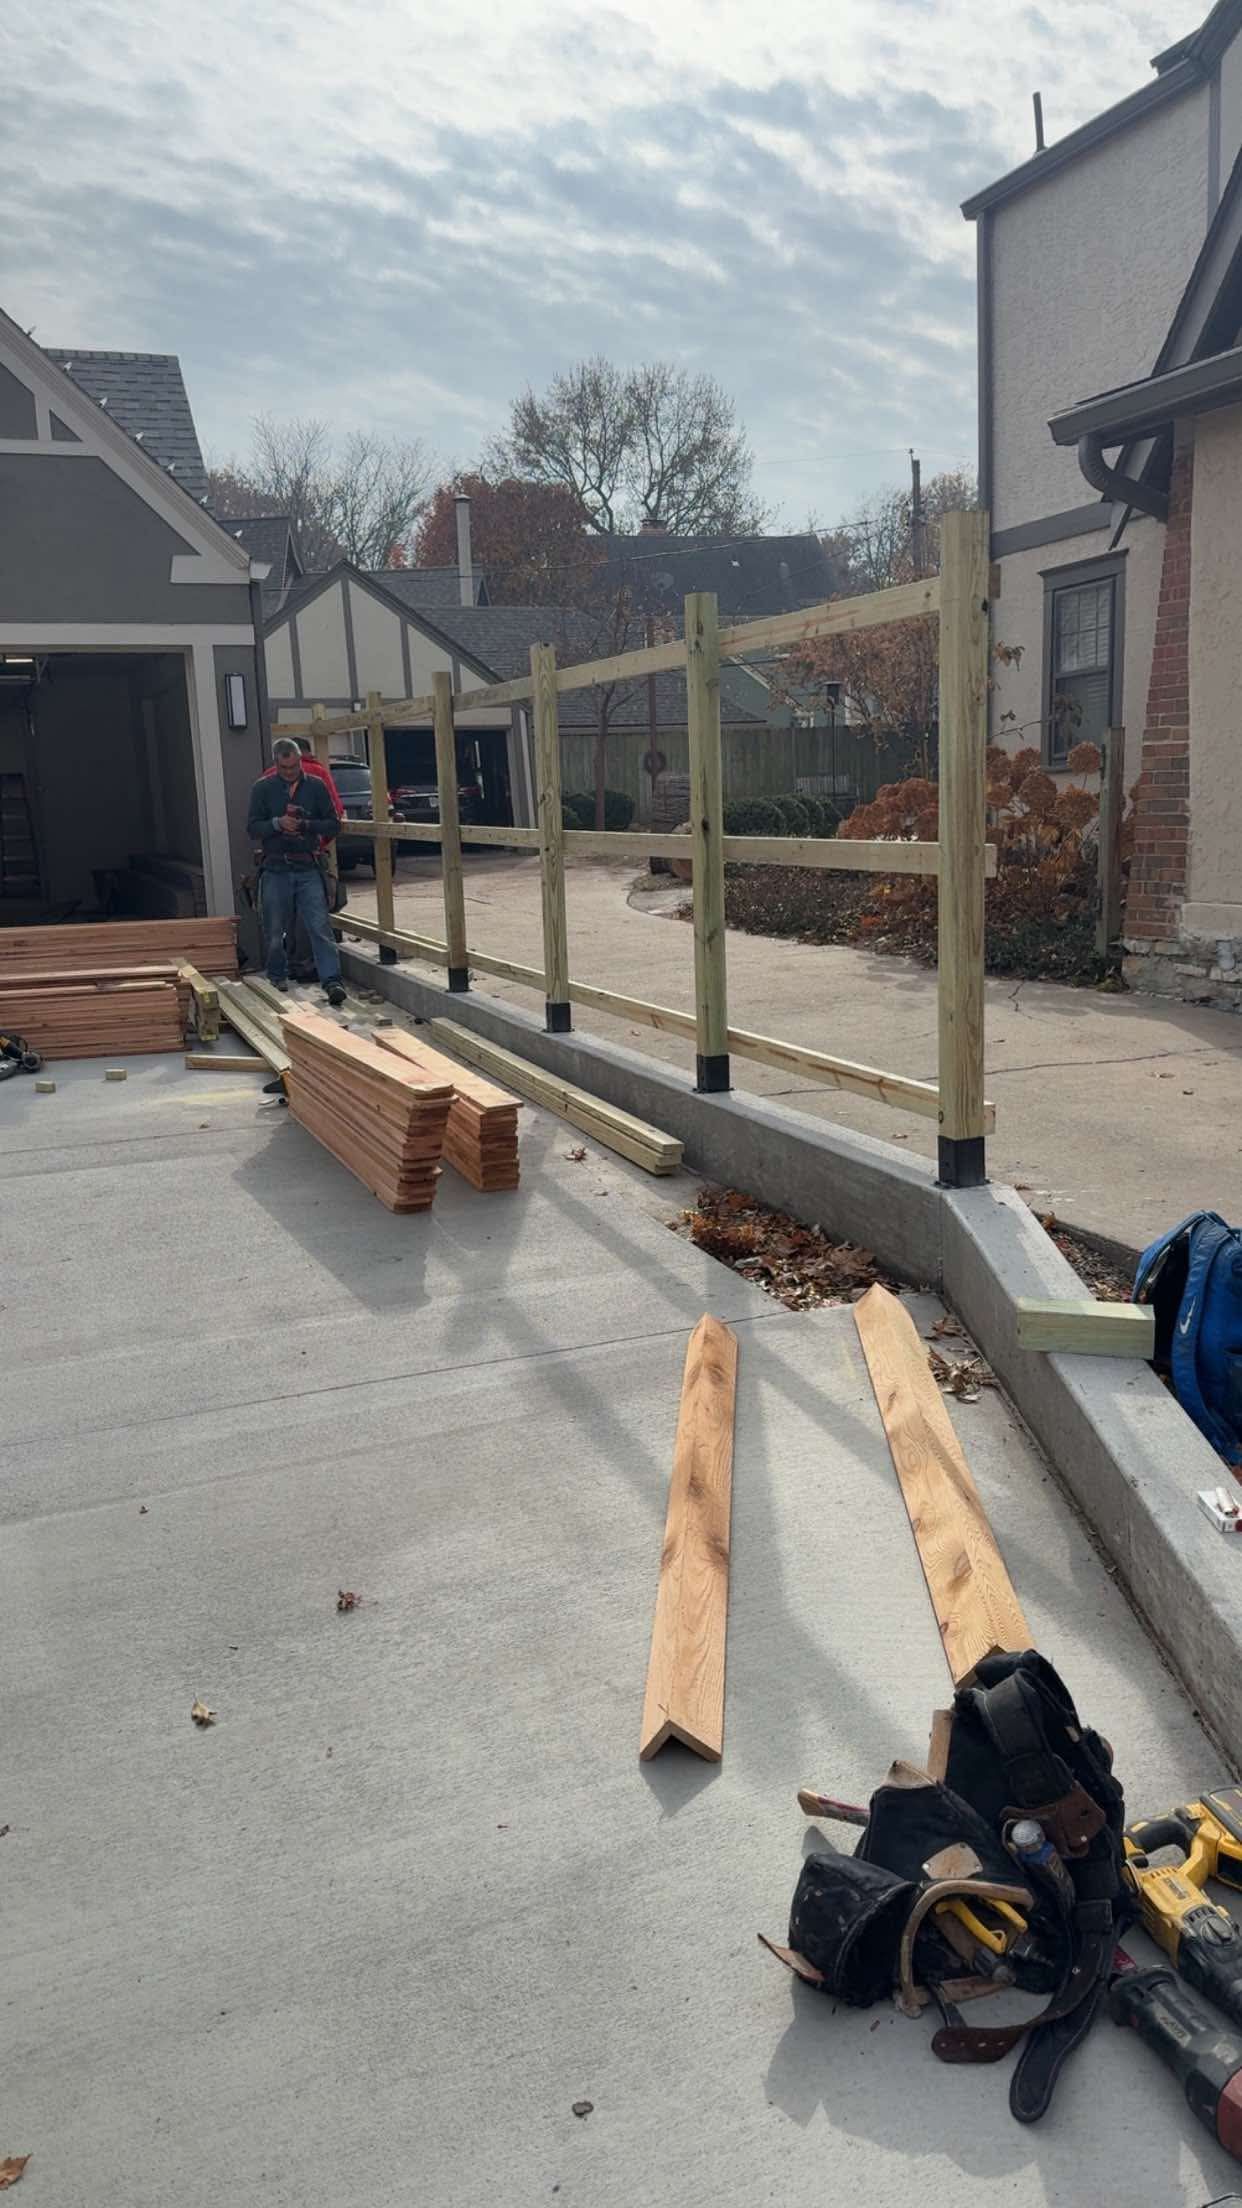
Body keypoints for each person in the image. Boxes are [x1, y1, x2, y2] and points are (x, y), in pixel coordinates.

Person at [247, 737, 347, 1005]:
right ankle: (276, 976)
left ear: (300, 760)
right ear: (276, 763)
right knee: (273, 929)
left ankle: (332, 981)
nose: (290, 773)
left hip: (307, 867)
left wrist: (306, 826)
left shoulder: (316, 786)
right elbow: (253, 827)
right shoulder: (263, 789)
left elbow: (333, 824)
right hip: (275, 867)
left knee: (320, 926)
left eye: (294, 767)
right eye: (284, 768)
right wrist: (277, 824)